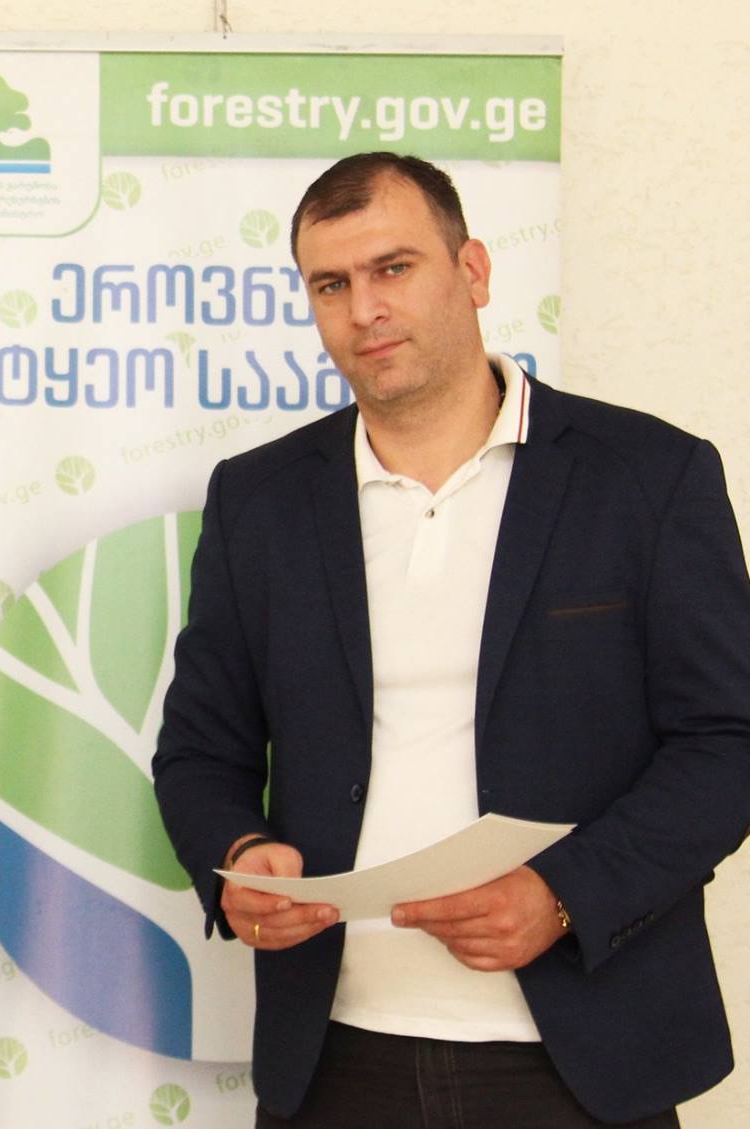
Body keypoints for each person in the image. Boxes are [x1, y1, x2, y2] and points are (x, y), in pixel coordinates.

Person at [152, 152, 750, 1127]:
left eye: (393, 268)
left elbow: (727, 742)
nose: (364, 310)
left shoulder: (648, 477)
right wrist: (239, 850)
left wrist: (563, 894)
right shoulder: (258, 500)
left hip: (585, 1060)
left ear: (472, 270)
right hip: (331, 1059)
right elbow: (198, 750)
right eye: (330, 285)